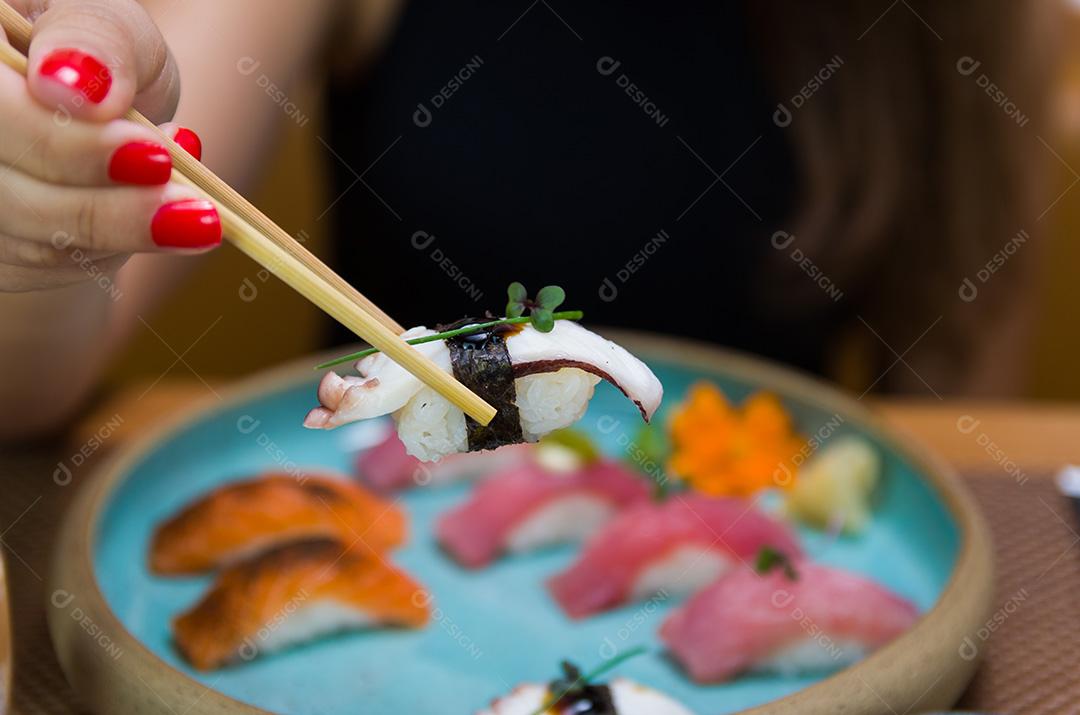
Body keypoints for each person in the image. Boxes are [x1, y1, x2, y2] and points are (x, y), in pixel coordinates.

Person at [0, 0, 1058, 439]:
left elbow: (967, 432)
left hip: (746, 511)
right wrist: (44, 235)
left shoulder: (974, 27)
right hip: (368, 502)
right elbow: (39, 377)